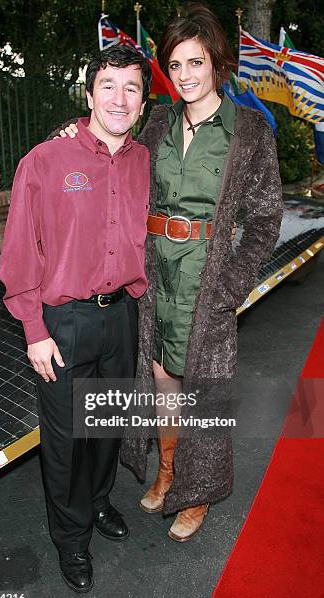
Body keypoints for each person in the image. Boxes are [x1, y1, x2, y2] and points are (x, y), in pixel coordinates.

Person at [55, 4, 283, 543]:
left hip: (207, 280)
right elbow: (105, 143)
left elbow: (265, 217)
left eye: (194, 63)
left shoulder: (248, 131)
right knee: (162, 384)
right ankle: (167, 471)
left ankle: (197, 492)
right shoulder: (155, 123)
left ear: (217, 63)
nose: (183, 75)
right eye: (175, 65)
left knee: (203, 390)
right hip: (155, 276)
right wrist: (73, 129)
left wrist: (232, 283)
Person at [0, 46, 152, 593]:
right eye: (107, 85)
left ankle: (99, 501)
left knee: (107, 426)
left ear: (141, 102)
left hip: (121, 317)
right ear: (88, 96)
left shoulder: (143, 159)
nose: (119, 97)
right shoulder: (44, 162)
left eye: (131, 88)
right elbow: (18, 257)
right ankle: (70, 539)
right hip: (63, 323)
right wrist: (34, 331)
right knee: (65, 441)